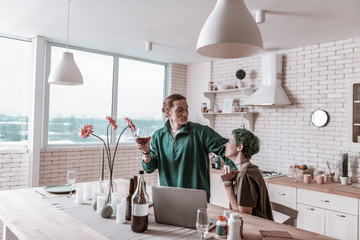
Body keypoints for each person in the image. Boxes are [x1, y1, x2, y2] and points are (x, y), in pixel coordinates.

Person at [135, 93, 236, 202]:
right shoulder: (158, 136)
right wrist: (146, 152)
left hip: (196, 199)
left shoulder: (201, 132)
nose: (185, 114)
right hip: (168, 198)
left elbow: (229, 149)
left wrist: (234, 172)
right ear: (168, 112)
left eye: (186, 109)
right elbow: (149, 168)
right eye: (180, 110)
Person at [220, 128, 273, 221]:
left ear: (240, 147)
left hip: (257, 229)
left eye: (229, 141)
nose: (225, 144)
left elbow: (243, 217)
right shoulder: (251, 169)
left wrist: (227, 185)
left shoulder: (245, 175)